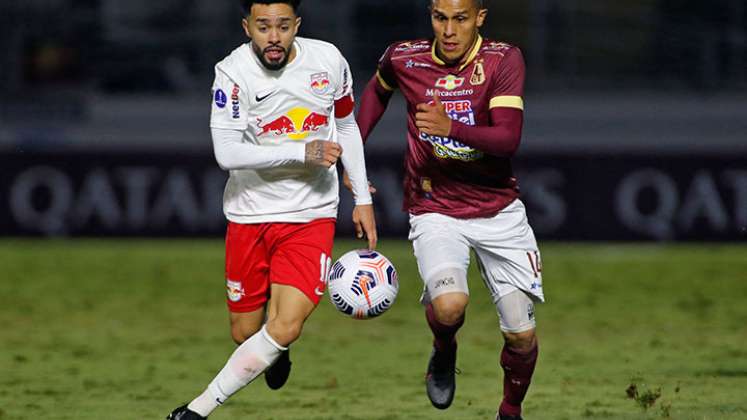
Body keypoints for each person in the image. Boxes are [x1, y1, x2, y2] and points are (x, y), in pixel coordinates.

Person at [167, 1, 376, 418]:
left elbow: (347, 125)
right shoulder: (232, 73)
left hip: (311, 214)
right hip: (249, 215)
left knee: (284, 325)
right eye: (264, 27)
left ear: (297, 24)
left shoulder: (329, 61)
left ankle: (196, 410)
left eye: (283, 26)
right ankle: (275, 353)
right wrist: (303, 151)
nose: (274, 37)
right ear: (247, 27)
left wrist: (363, 199)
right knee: (246, 332)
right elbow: (226, 153)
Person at [355, 0, 543, 419]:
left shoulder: (502, 60)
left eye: (460, 19)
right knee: (449, 306)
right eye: (441, 18)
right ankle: (444, 348)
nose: (449, 30)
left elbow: (508, 139)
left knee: (522, 337)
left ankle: (509, 412)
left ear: (480, 17)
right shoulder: (404, 57)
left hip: (498, 211)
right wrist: (351, 159)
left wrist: (450, 128)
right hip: (433, 205)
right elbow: (374, 95)